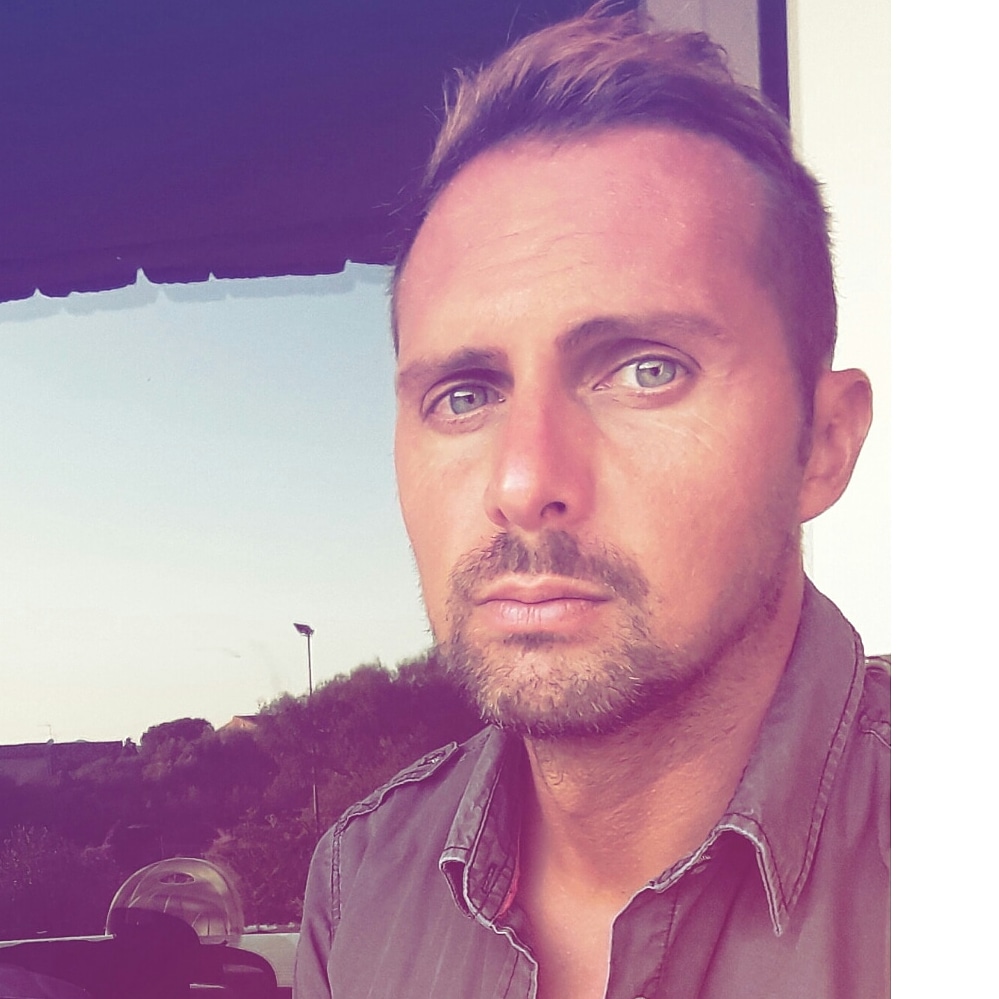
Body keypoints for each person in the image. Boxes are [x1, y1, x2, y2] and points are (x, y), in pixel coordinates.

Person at [294, 5, 889, 997]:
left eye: (646, 370)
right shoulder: (362, 887)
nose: (524, 483)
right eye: (465, 395)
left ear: (822, 443)